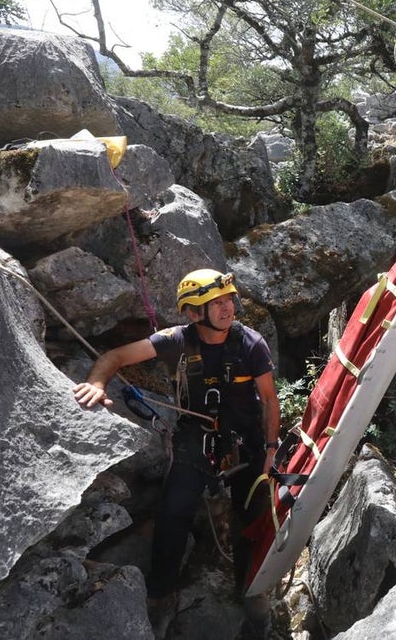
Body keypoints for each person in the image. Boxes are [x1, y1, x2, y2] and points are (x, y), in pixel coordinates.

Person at [72, 268, 279, 629]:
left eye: (229, 299)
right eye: (216, 303)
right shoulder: (175, 341)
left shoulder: (251, 343)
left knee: (251, 517)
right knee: (173, 513)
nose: (228, 307)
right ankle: (160, 593)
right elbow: (115, 357)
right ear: (194, 312)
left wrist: (272, 448)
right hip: (195, 437)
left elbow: (269, 400)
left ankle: (249, 590)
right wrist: (96, 382)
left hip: (246, 439)